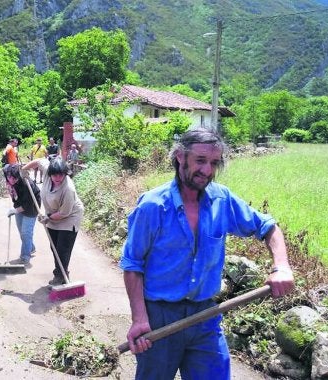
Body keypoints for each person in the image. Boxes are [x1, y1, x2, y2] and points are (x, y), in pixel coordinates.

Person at [119, 128, 295, 380]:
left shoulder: (222, 200)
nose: (207, 171)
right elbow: (133, 264)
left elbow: (268, 227)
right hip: (160, 318)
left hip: (205, 316)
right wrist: (139, 319)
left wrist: (281, 267)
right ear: (180, 156)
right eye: (200, 161)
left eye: (214, 163)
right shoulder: (152, 206)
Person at [22, 157, 84, 286]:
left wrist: (48, 217)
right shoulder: (48, 170)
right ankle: (62, 272)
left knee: (63, 248)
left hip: (69, 216)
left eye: (61, 175)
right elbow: (39, 161)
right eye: (55, 175)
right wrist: (24, 169)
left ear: (65, 173)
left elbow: (64, 213)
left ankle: (60, 275)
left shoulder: (68, 189)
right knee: (54, 246)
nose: (58, 178)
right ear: (50, 173)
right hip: (53, 214)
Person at [3, 164, 41, 265]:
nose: (11, 179)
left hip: (31, 208)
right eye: (9, 177)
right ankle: (30, 247)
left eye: (14, 178)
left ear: (17, 176)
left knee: (26, 233)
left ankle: (25, 256)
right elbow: (15, 199)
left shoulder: (26, 183)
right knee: (22, 232)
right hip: (19, 207)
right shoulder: (10, 182)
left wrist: (15, 211)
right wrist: (11, 192)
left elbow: (28, 204)